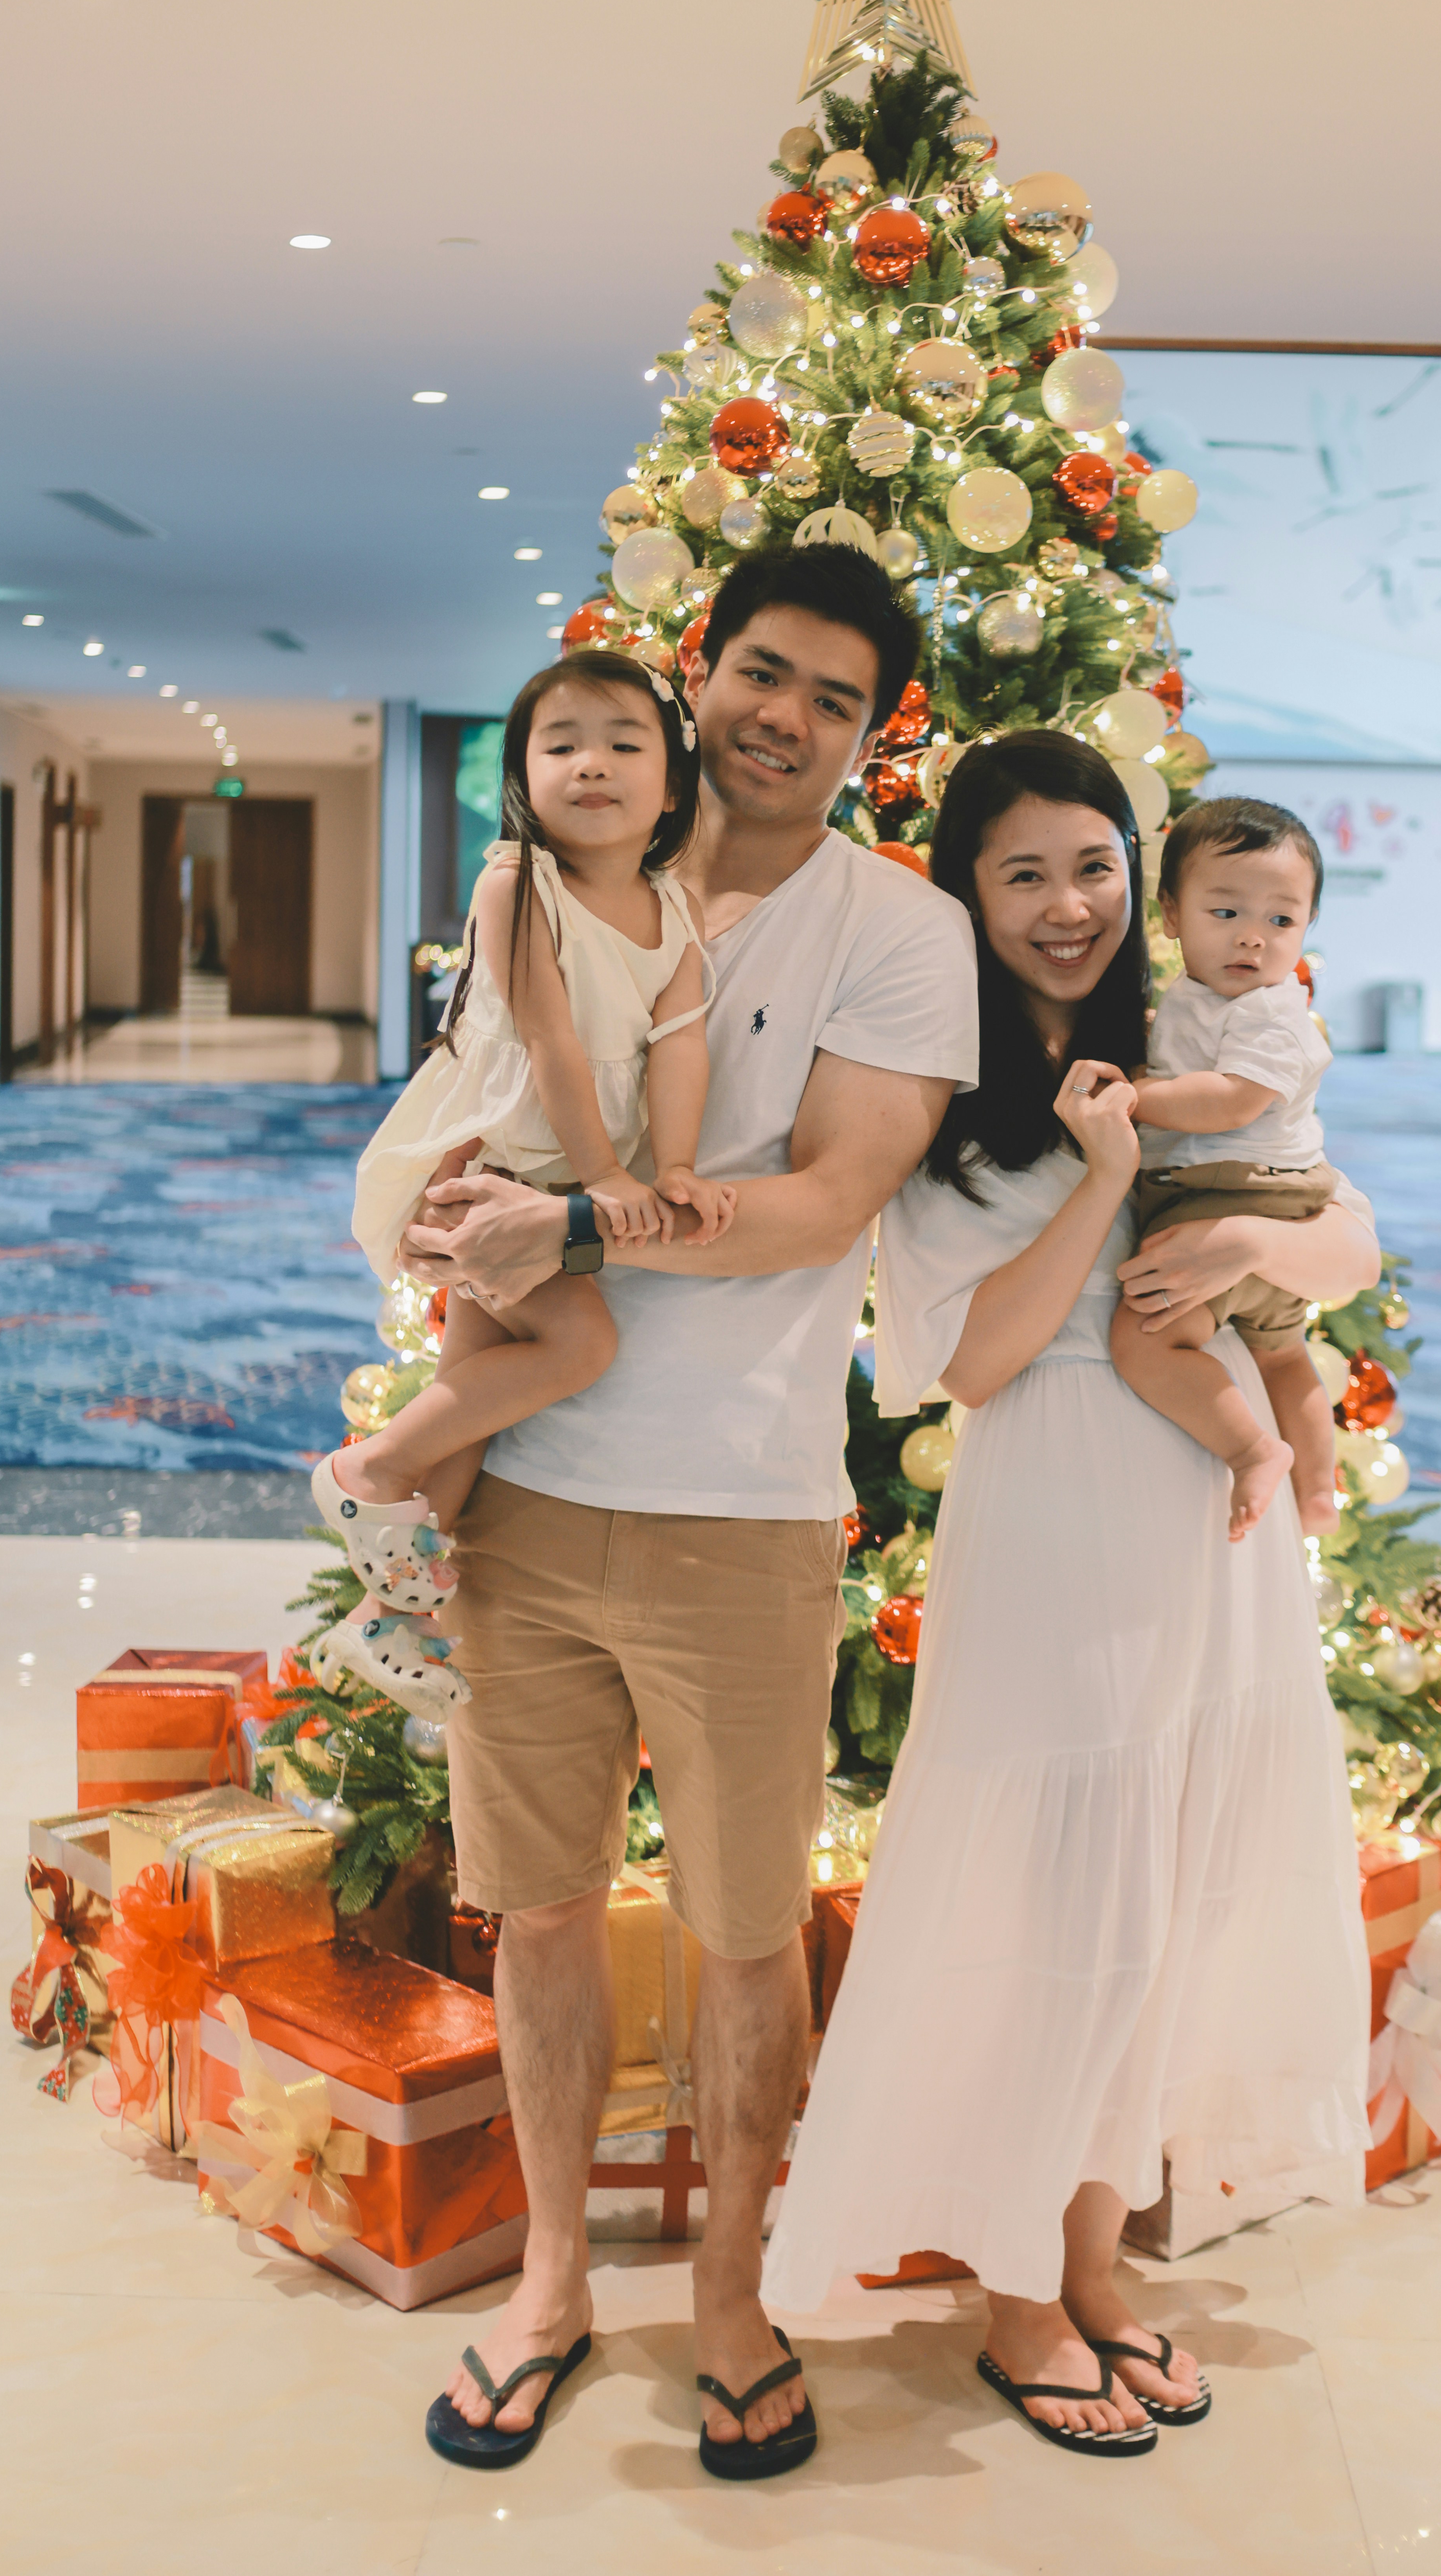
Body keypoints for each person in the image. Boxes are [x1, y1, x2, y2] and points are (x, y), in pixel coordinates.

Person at [398, 545, 978, 2478]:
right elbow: (471, 1106)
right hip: (528, 1498)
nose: (778, 714)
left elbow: (823, 1203)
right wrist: (438, 1211)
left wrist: (578, 1223)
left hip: (743, 1513)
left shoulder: (892, 930)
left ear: (873, 726)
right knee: (538, 1910)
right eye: (753, 670)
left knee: (745, 1933)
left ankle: (732, 2282)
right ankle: (555, 2271)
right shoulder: (554, 894)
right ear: (697, 675)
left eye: (828, 691)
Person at [762, 730, 1374, 2456]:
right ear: (966, 886)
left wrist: (1257, 1246)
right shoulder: (939, 1094)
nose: (1068, 904)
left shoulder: (1177, 1036)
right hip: (1058, 1521)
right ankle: (1019, 2288)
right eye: (1023, 871)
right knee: (1061, 1913)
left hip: (1211, 1519)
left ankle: (1095, 2262)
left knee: (1158, 1911)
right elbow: (973, 1358)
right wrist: (1105, 1180)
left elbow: (1349, 1231)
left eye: (1095, 864)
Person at [312, 650, 728, 1717]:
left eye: (624, 743)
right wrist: (601, 1176)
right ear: (524, 775)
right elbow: (547, 1035)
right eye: (561, 744)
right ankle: (364, 1472)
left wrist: (670, 1165)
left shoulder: (673, 909)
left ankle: (385, 1615)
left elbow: (680, 1047)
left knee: (473, 1415)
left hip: (545, 1181)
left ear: (672, 784)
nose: (592, 763)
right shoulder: (518, 879)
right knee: (582, 1342)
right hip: (493, 1164)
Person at [1107, 795, 1341, 1543]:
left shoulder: (1274, 1012)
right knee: (1284, 1354)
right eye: (1227, 913)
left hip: (1237, 1193)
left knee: (1145, 1339)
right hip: (1262, 1198)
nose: (1254, 940)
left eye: (1281, 920)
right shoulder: (1197, 1002)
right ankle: (1318, 1500)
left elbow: (1232, 1102)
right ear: (1172, 914)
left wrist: (1137, 1098)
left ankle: (1254, 1450)